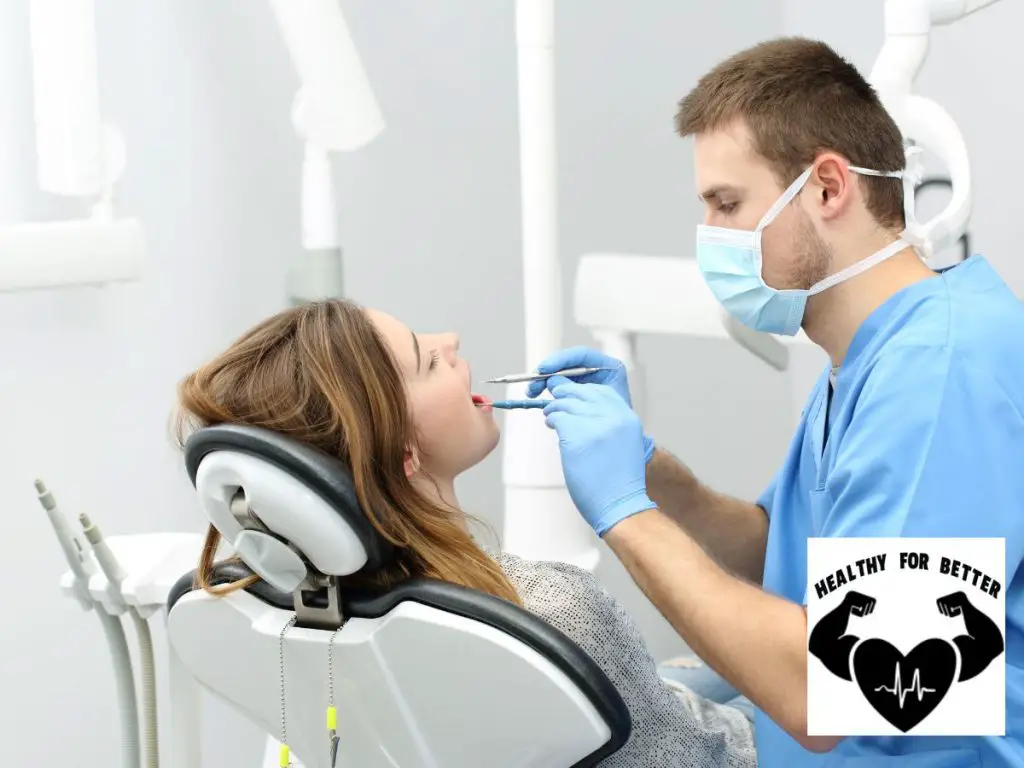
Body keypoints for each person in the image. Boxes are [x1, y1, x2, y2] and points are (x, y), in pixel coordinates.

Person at [528, 37, 1024, 765]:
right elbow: (789, 552)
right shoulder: (868, 358)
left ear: (827, 187)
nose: (710, 238)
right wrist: (652, 473)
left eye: (727, 204)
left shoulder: (940, 370)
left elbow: (850, 689)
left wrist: (626, 517)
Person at [173, 298, 757, 767]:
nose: (451, 338)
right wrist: (625, 509)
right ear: (403, 452)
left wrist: (643, 461)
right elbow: (713, 755)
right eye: (428, 361)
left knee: (687, 674)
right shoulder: (554, 613)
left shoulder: (305, 619)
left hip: (645, 711)